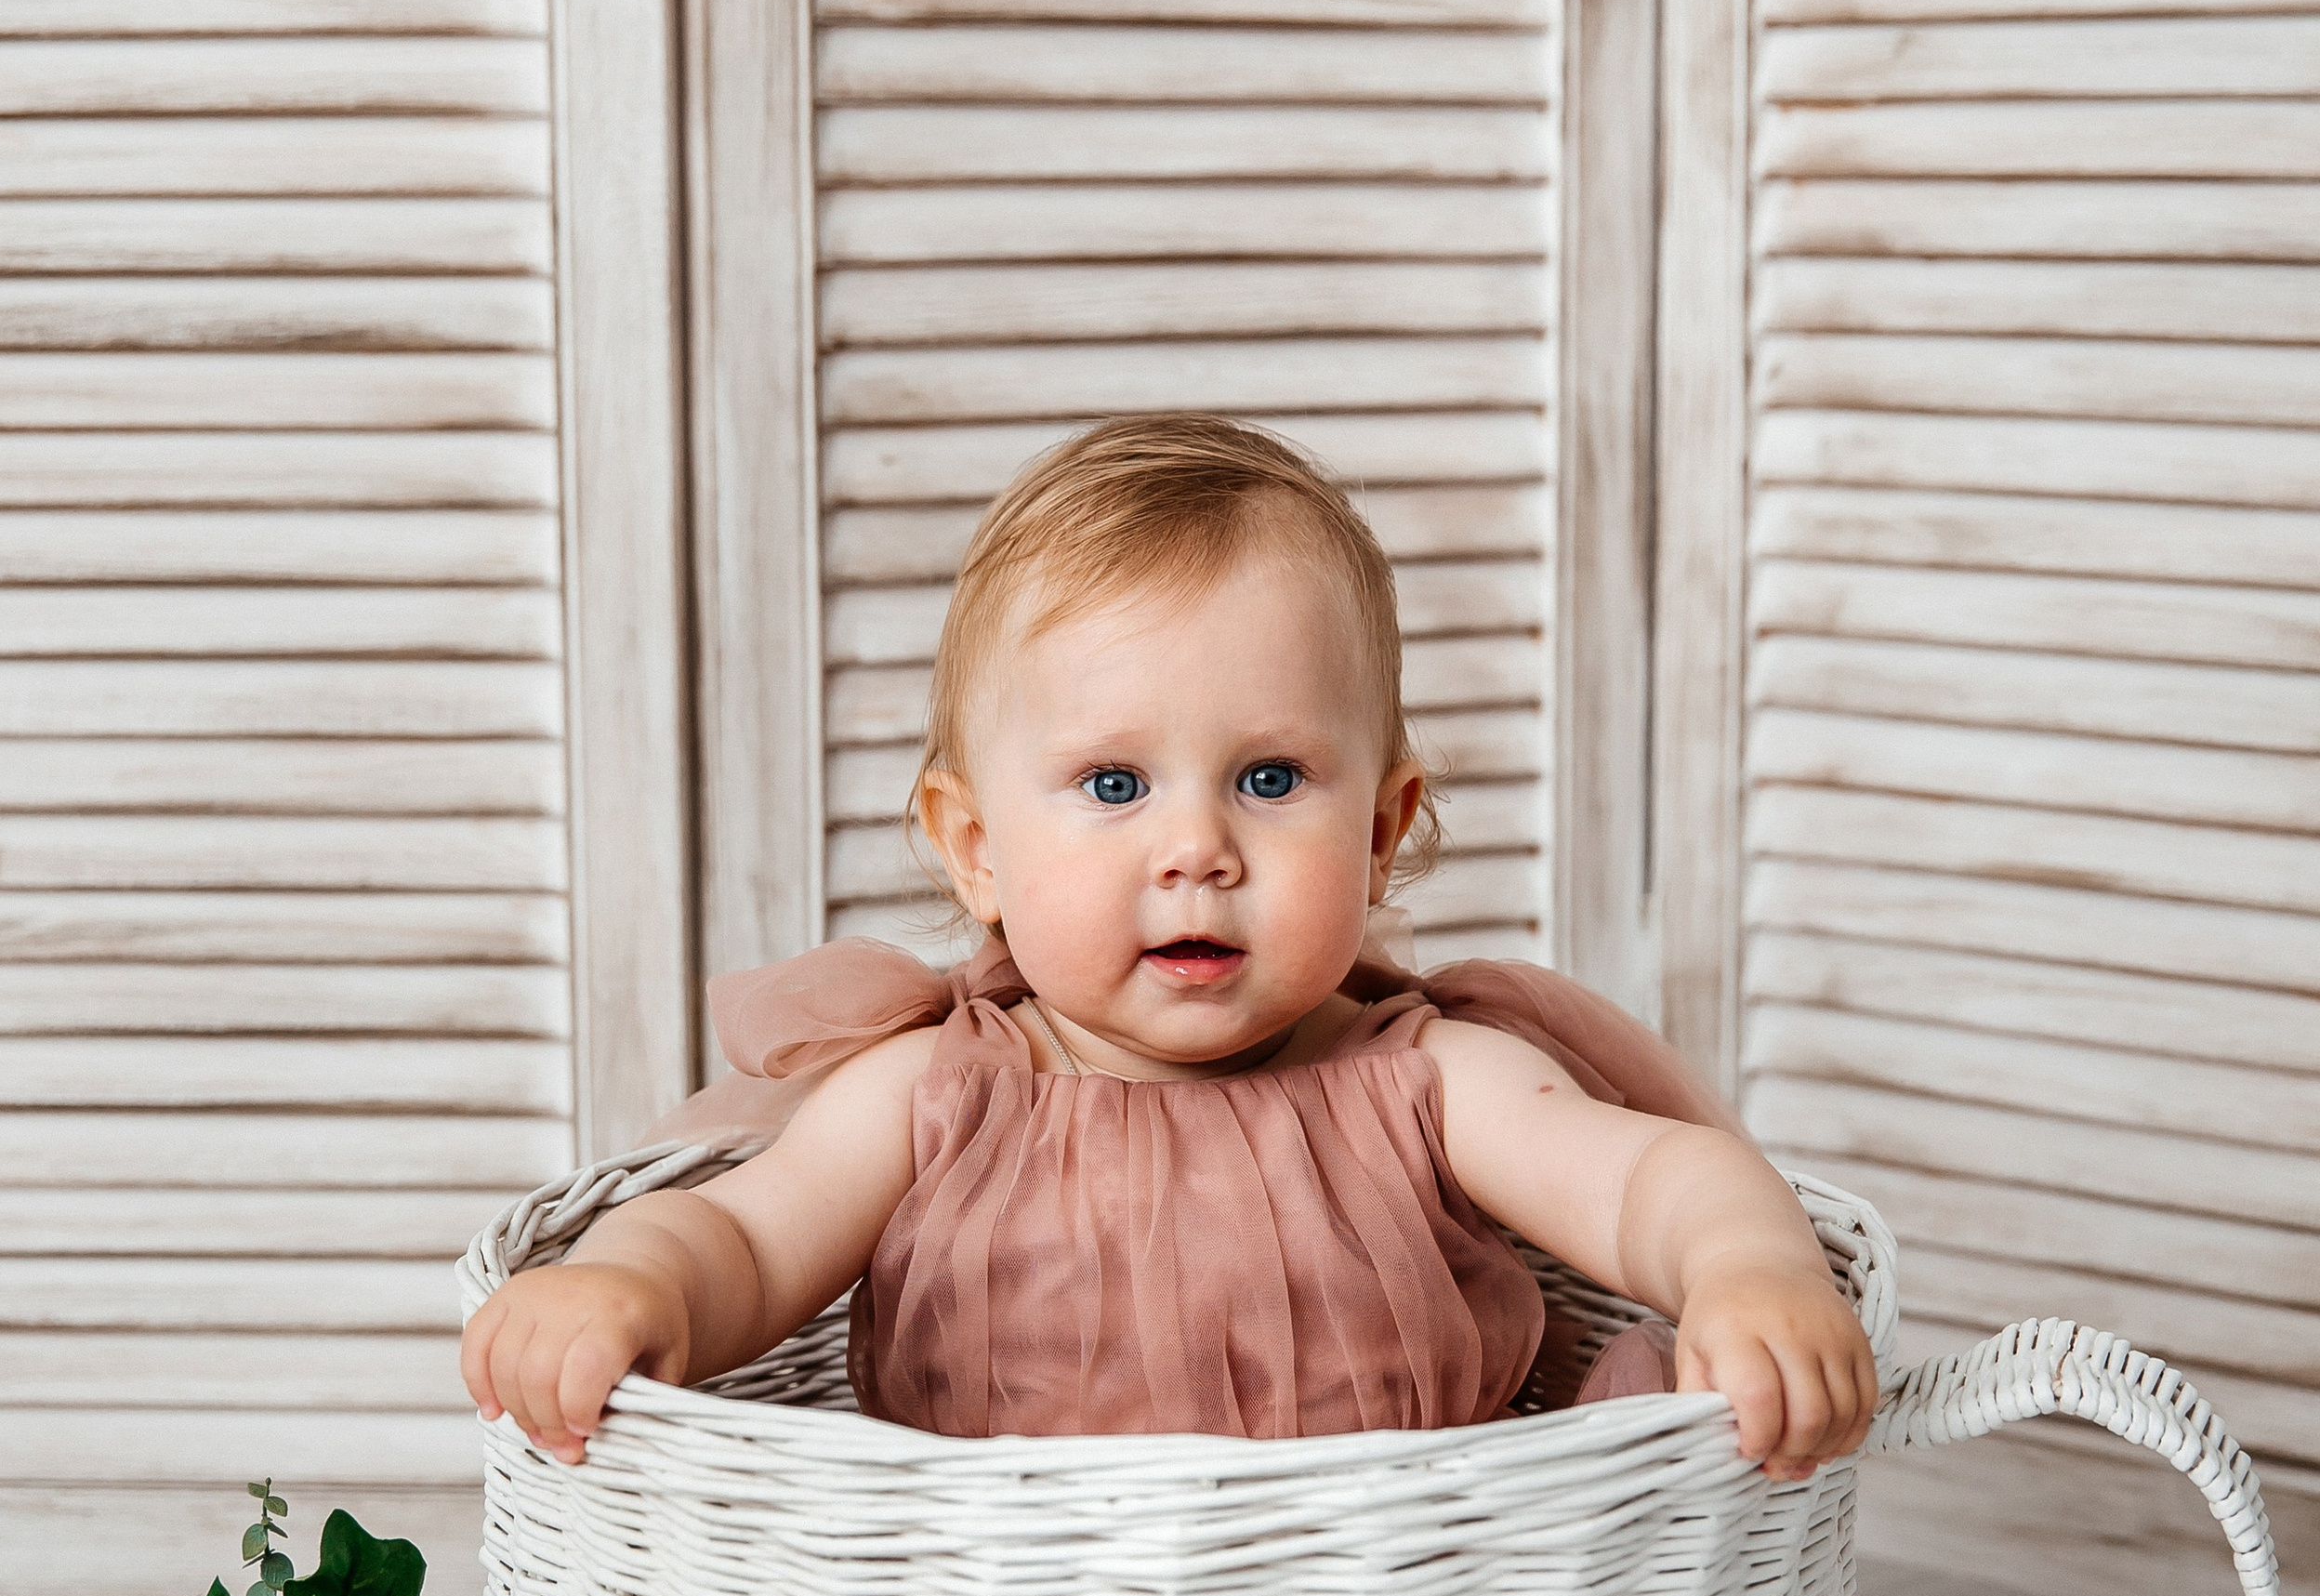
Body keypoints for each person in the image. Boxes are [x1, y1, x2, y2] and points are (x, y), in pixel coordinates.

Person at [463, 419, 1877, 1476]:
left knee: (1655, 1435)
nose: (1195, 848)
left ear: (1383, 831)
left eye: (1269, 779)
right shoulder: (941, 1089)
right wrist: (629, 1282)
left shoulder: (1432, 1078)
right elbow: (742, 1232)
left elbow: (1651, 1179)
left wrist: (1751, 1271)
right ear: (976, 848)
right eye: (1116, 786)